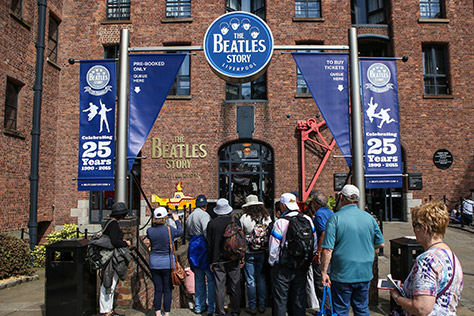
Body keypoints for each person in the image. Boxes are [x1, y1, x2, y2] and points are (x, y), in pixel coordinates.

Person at [390, 201, 464, 316]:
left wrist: (397, 297)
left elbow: (421, 308)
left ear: (424, 228)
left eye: (415, 225)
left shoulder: (427, 260)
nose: (414, 230)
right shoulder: (452, 257)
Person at [321, 184, 385, 316]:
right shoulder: (369, 218)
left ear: (342, 198)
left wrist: (323, 272)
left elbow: (327, 249)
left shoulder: (335, 218)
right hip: (364, 272)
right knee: (362, 309)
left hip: (342, 273)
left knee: (340, 310)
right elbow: (381, 243)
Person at [268, 193, 317, 316]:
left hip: (282, 267)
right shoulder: (308, 220)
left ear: (283, 205)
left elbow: (273, 248)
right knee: (298, 299)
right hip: (302, 265)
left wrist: (272, 262)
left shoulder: (280, 223)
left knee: (280, 300)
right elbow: (314, 243)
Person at [207, 198, 243, 316]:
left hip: (218, 260)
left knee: (219, 287)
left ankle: (220, 312)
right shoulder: (235, 221)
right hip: (234, 258)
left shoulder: (212, 224)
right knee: (235, 285)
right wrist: (242, 257)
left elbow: (210, 245)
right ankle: (236, 311)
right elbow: (241, 241)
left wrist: (211, 261)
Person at [146, 207, 184, 316]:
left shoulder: (150, 231)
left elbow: (153, 234)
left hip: (154, 263)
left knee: (158, 289)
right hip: (168, 263)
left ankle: (157, 313)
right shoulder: (170, 230)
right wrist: (177, 220)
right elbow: (180, 232)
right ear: (165, 217)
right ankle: (166, 313)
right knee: (167, 289)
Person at [240, 195, 272, 315]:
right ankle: (262, 305)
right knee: (261, 279)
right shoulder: (266, 217)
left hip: (249, 252)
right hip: (262, 252)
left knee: (250, 280)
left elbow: (242, 236)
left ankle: (252, 306)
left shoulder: (244, 218)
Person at [100, 202, 132, 316]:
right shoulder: (113, 224)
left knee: (110, 283)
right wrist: (125, 243)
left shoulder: (109, 222)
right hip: (111, 258)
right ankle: (106, 311)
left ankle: (109, 310)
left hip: (110, 257)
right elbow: (115, 242)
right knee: (109, 283)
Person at [186, 194, 215, 316]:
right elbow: (206, 232)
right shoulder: (204, 215)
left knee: (198, 278)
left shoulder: (190, 216)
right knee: (210, 278)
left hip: (193, 246)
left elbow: (187, 234)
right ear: (205, 206)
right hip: (202, 245)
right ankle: (211, 307)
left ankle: (198, 306)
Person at [310, 191, 333, 310]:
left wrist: (318, 252)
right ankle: (327, 308)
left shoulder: (319, 214)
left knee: (321, 283)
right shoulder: (331, 212)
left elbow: (323, 232)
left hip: (323, 254)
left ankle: (325, 310)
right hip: (331, 251)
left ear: (315, 203)